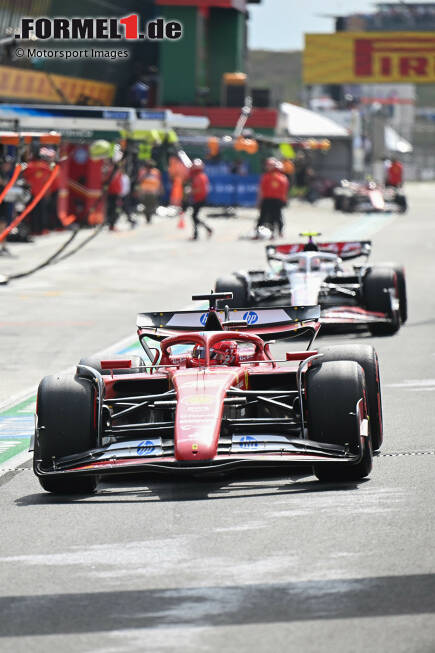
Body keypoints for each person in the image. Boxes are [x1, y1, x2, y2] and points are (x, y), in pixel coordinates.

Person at [257, 158, 289, 237]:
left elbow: (284, 191)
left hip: (277, 200)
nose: (268, 167)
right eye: (268, 165)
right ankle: (258, 233)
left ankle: (278, 232)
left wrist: (284, 200)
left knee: (277, 217)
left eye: (270, 165)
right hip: (267, 199)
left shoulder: (281, 177)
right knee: (262, 217)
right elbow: (261, 190)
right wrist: (259, 201)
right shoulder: (266, 176)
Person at [22, 153, 51, 234]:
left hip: (33, 193)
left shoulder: (30, 166)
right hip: (40, 193)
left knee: (33, 213)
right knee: (41, 212)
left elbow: (25, 177)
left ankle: (34, 230)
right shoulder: (44, 166)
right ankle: (41, 229)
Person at [189, 159, 212, 240]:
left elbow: (199, 190)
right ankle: (202, 231)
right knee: (194, 216)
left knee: (194, 216)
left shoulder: (198, 177)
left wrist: (190, 191)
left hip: (199, 199)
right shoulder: (202, 176)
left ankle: (205, 230)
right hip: (200, 199)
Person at [135, 159, 162, 223]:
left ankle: (149, 217)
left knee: (152, 206)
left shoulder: (156, 172)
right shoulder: (142, 172)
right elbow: (139, 181)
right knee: (146, 205)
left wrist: (160, 190)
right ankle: (147, 217)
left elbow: (159, 181)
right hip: (145, 192)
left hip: (153, 192)